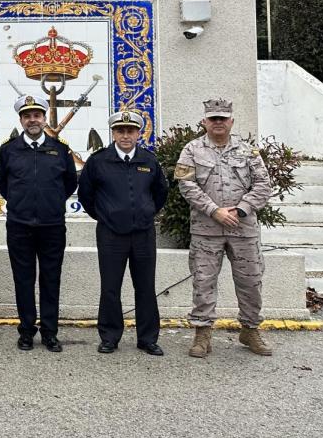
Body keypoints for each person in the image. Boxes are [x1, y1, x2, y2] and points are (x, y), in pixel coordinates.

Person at [175, 98, 273, 358]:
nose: (218, 122)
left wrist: (241, 209)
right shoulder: (191, 150)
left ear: (231, 121)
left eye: (223, 118)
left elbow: (264, 184)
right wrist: (214, 210)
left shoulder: (248, 151)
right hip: (206, 229)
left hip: (243, 229)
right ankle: (202, 334)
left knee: (251, 281)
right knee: (203, 282)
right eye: (213, 118)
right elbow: (186, 186)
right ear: (205, 121)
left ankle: (250, 330)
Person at [77, 110, 168, 356]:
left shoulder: (149, 161)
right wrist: (105, 216)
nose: (125, 135)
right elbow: (86, 195)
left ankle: (147, 338)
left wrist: (145, 213)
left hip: (143, 234)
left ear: (138, 133)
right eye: (120, 131)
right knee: (110, 287)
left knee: (146, 287)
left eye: (130, 131)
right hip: (110, 235)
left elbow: (160, 193)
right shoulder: (98, 161)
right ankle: (109, 337)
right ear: (114, 133)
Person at [0, 94, 77, 352]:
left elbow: (70, 183)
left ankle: (50, 332)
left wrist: (49, 203)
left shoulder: (60, 149)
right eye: (27, 116)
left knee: (51, 280)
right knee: (23, 279)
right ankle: (26, 331)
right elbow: (2, 182)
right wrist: (22, 203)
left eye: (37, 115)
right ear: (20, 119)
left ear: (44, 118)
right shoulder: (8, 150)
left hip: (52, 226)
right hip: (20, 225)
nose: (33, 120)